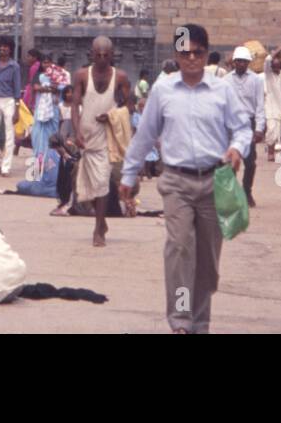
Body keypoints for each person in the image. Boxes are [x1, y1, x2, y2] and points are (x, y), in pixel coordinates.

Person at [120, 23, 250, 333]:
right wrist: (129, 173)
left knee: (206, 260)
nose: (191, 59)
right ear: (176, 55)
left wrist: (236, 148)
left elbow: (243, 128)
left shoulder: (223, 90)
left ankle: (200, 323)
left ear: (207, 54)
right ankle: (180, 320)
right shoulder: (163, 91)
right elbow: (145, 135)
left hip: (214, 183)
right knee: (179, 250)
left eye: (198, 53)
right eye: (185, 53)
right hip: (176, 182)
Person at [72, 36, 132, 247]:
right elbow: (75, 106)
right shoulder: (81, 75)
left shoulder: (120, 77)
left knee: (102, 181)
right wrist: (76, 131)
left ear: (112, 55)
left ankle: (98, 230)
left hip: (107, 136)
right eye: (98, 55)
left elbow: (129, 107)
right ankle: (102, 220)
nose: (102, 59)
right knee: (91, 186)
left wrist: (112, 115)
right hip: (87, 137)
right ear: (91, 54)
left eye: (106, 55)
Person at [227, 45, 266, 206]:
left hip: (248, 123)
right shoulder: (226, 80)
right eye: (238, 61)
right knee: (229, 161)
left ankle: (246, 191)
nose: (241, 64)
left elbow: (260, 105)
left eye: (244, 61)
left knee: (250, 162)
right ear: (234, 62)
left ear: (248, 63)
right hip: (231, 123)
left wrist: (259, 128)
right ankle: (231, 194)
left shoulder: (256, 80)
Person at [0, 37, 23, 176]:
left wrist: (17, 109)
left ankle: (6, 167)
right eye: (1, 46)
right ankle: (0, 161)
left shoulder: (14, 66)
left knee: (9, 135)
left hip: (8, 100)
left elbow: (17, 88)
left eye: (5, 47)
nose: (3, 49)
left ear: (10, 49)